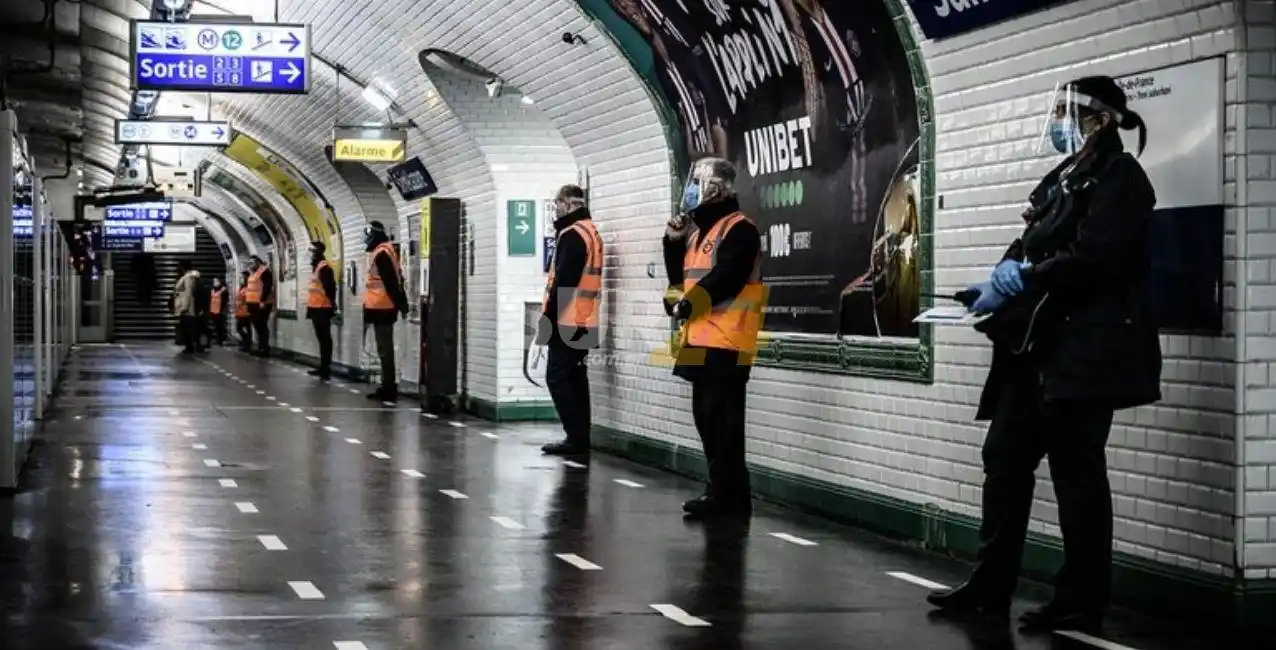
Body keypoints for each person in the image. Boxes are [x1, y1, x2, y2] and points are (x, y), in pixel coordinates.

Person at [926, 75, 1161, 633]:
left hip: (1084, 350)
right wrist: (998, 278)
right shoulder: (1062, 177)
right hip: (1032, 348)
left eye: (1065, 112)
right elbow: (1028, 241)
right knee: (1004, 461)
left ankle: (1081, 597)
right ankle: (990, 583)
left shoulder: (1122, 179)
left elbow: (1094, 256)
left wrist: (1024, 276)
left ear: (1098, 120)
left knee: (1077, 474)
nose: (1056, 121)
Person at [662, 157, 764, 521]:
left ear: (715, 189)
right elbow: (681, 278)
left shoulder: (739, 228)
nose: (690, 192)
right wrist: (672, 243)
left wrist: (688, 305)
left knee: (724, 423)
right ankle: (720, 492)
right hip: (698, 338)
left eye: (697, 184)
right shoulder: (696, 233)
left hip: (728, 340)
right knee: (705, 418)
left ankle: (730, 499)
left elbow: (728, 277)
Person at [539, 184, 604, 457]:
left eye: (557, 203)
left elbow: (564, 279)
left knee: (556, 376)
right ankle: (579, 437)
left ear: (567, 202)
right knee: (577, 378)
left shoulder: (572, 234)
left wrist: (548, 318)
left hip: (567, 318)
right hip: (585, 316)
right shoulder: (591, 232)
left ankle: (574, 436)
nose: (556, 209)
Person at [362, 221, 408, 401]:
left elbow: (390, 282)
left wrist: (401, 305)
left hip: (383, 307)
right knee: (383, 349)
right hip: (381, 307)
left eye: (368, 234)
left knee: (385, 350)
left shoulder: (382, 254)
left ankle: (389, 388)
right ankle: (387, 385)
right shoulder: (384, 251)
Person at [306, 241, 338, 380]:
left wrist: (332, 304)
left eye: (311, 252)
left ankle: (326, 367)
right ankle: (323, 366)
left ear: (317, 252)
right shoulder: (317, 267)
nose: (310, 255)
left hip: (323, 308)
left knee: (325, 339)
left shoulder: (324, 267)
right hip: (315, 307)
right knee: (322, 339)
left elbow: (330, 287)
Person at [245, 255, 274, 357]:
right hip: (252, 303)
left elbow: (267, 287)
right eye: (249, 263)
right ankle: (261, 347)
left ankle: (265, 349)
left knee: (262, 326)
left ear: (258, 262)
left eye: (252, 262)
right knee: (257, 326)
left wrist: (262, 301)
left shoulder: (264, 272)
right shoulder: (253, 273)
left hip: (261, 304)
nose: (250, 265)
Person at [172, 259, 202, 355]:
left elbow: (188, 292)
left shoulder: (188, 277)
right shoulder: (185, 276)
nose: (178, 268)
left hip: (187, 308)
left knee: (187, 328)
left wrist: (185, 307)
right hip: (184, 306)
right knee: (185, 327)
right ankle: (189, 346)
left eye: (179, 266)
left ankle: (190, 347)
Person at [234, 271, 253, 352]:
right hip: (239, 311)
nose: (241, 279)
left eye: (243, 277)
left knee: (245, 328)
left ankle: (247, 344)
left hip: (245, 312)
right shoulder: (241, 288)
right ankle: (246, 343)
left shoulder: (248, 289)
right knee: (239, 328)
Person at [209, 277, 228, 346]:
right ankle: (218, 339)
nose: (214, 282)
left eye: (216, 281)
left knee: (221, 326)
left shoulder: (223, 290)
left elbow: (225, 301)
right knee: (217, 326)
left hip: (220, 311)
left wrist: (222, 310)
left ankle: (222, 339)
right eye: (214, 281)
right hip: (213, 310)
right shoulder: (212, 290)